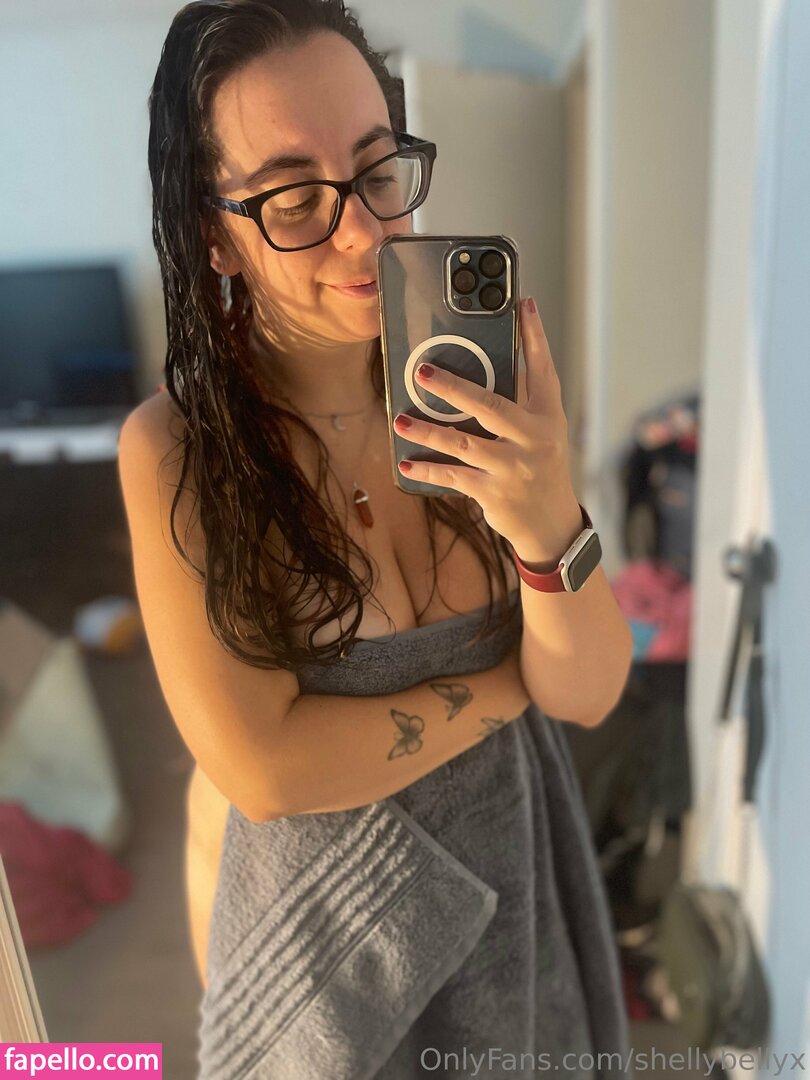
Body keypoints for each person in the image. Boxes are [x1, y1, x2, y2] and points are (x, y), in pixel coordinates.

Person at [119, 1, 633, 1077]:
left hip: (518, 916)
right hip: (332, 969)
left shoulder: (475, 391)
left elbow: (586, 693)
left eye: (375, 169)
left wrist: (546, 516)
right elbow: (266, 768)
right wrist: (504, 690)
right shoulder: (179, 453)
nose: (363, 231)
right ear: (214, 234)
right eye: (295, 198)